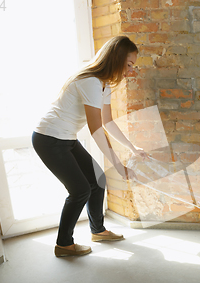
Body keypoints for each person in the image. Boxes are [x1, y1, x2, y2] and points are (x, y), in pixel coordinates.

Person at [32, 36, 148, 257]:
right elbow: (96, 130)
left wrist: (132, 148)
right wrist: (118, 165)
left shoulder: (105, 85)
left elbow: (108, 122)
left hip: (66, 138)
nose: (130, 71)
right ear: (117, 59)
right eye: (129, 65)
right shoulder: (91, 82)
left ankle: (98, 230)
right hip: (48, 138)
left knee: (97, 181)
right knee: (80, 190)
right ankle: (64, 244)